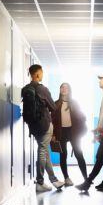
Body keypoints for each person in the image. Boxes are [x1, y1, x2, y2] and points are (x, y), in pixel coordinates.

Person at [21, 64, 65, 192]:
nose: (42, 75)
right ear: (37, 74)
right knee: (42, 152)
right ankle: (40, 182)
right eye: (42, 73)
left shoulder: (25, 89)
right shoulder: (43, 89)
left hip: (33, 126)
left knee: (44, 151)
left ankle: (54, 180)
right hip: (45, 125)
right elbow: (53, 107)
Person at [76, 73, 103, 191]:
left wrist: (98, 130)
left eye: (101, 79)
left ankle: (88, 182)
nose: (99, 81)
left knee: (100, 156)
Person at [52, 83, 88, 186]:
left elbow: (81, 117)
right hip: (61, 132)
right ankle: (66, 178)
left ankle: (86, 178)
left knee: (78, 154)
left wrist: (80, 131)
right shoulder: (56, 104)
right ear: (60, 90)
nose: (64, 89)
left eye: (66, 87)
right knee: (63, 155)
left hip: (73, 132)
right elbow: (53, 121)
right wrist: (53, 134)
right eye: (62, 87)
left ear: (69, 90)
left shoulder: (74, 103)